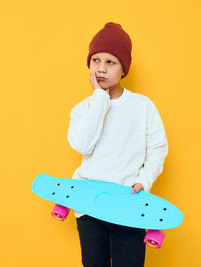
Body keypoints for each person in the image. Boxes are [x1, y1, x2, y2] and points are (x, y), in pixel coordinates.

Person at [67, 22, 169, 267]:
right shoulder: (83, 109)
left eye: (110, 62)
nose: (101, 69)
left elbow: (157, 148)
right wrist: (99, 99)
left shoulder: (143, 106)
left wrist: (144, 180)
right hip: (89, 207)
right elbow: (83, 145)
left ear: (124, 68)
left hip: (129, 206)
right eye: (95, 61)